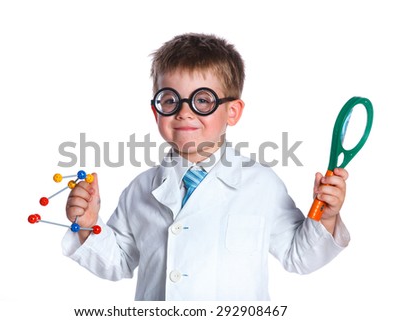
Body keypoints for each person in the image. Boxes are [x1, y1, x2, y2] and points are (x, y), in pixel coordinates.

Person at [62, 33, 350, 300]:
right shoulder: (140, 190)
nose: (184, 112)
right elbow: (119, 261)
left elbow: (298, 256)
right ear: (156, 111)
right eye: (170, 100)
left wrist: (326, 218)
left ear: (232, 112)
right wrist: (89, 226)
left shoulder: (261, 184)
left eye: (202, 100)